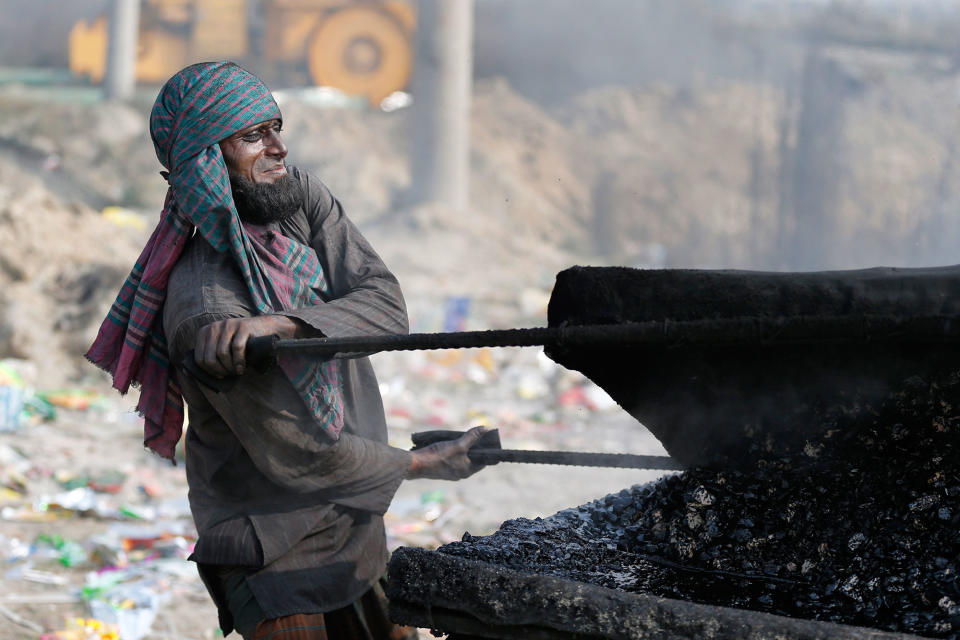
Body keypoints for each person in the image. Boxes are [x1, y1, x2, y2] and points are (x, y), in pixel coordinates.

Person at [86, 61, 488, 640]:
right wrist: (425, 463)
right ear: (205, 163)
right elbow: (308, 456)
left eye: (276, 127)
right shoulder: (207, 310)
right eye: (252, 136)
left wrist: (286, 324)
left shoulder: (296, 201)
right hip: (271, 549)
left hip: (353, 529)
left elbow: (386, 306)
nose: (278, 148)